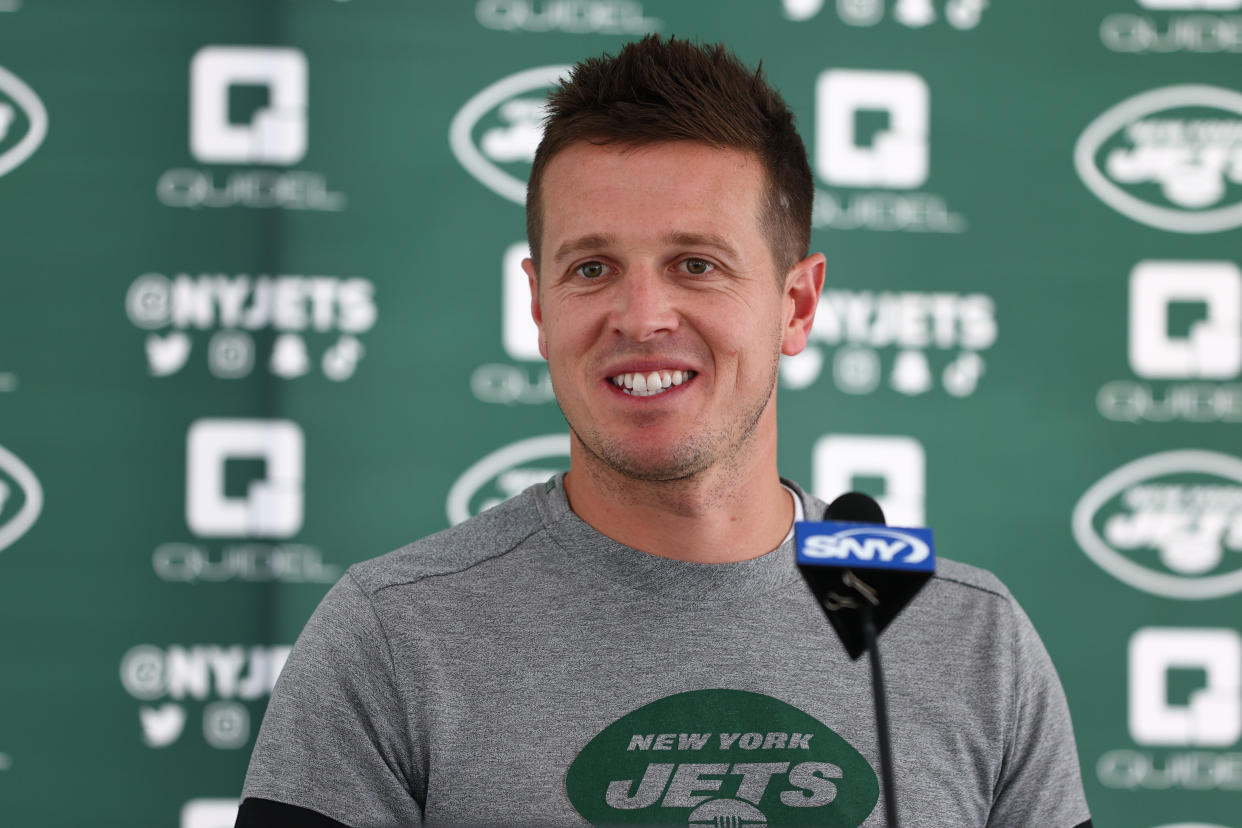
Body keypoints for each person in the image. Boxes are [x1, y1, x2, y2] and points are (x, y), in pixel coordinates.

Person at [237, 36, 1092, 827]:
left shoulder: (966, 632)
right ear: (538, 306)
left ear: (795, 304)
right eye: (593, 268)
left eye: (697, 265)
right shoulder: (393, 637)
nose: (642, 318)